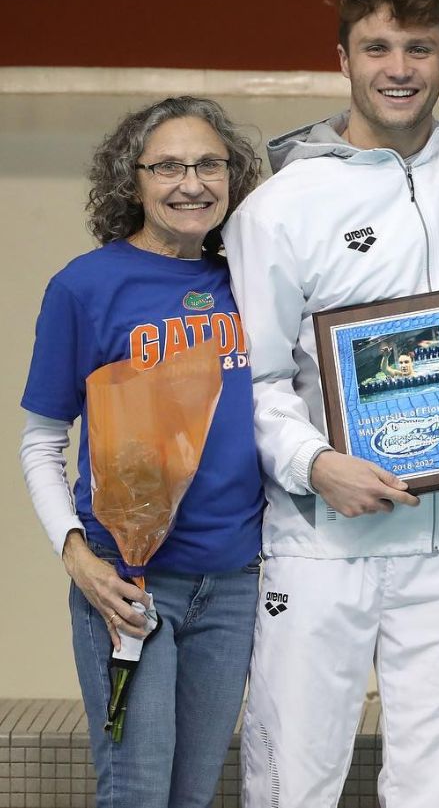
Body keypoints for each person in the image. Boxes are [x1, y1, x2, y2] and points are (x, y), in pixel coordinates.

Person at [221, 0, 439, 806]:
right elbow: (255, 375)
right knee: (295, 781)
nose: (400, 68)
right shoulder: (278, 208)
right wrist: (316, 463)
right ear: (343, 60)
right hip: (324, 540)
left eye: (418, 49)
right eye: (378, 48)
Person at [18, 96, 263, 808]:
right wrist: (77, 555)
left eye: (210, 164)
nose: (193, 182)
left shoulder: (247, 281)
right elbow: (41, 440)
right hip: (129, 585)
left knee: (192, 795)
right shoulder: (86, 286)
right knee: (136, 791)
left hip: (234, 584)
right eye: (170, 166)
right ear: (134, 180)